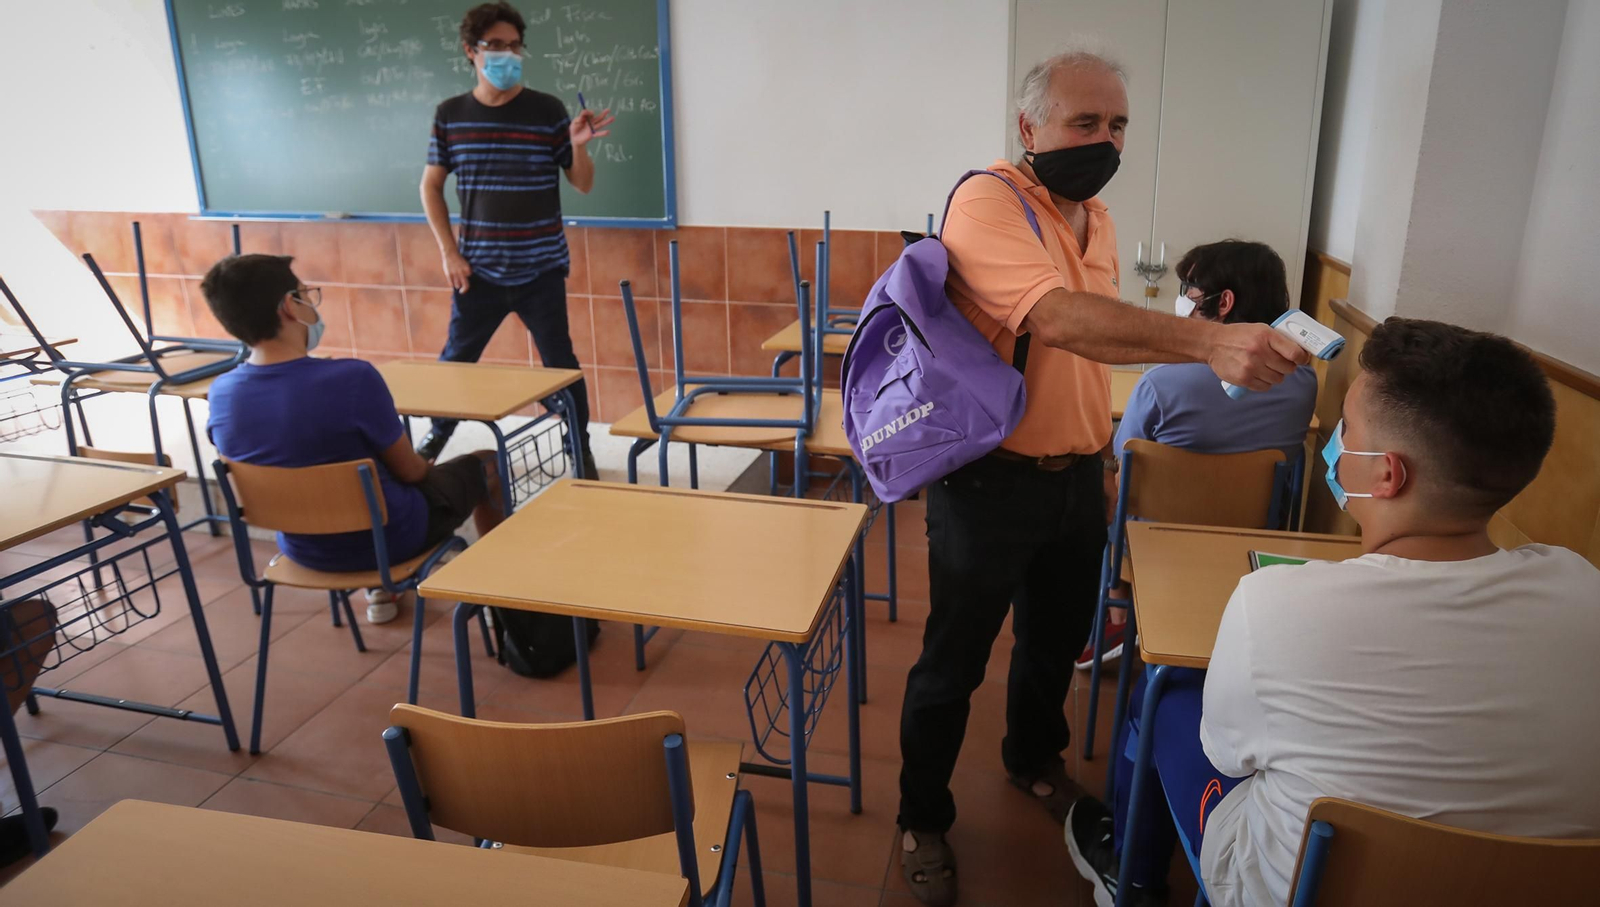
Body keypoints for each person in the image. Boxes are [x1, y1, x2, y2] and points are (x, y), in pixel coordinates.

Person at [896, 43, 1309, 906]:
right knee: (953, 660)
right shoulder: (986, 201)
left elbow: (1094, 346)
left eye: (1118, 124)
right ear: (1029, 125)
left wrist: (1099, 461)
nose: (1106, 139)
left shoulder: (1100, 218)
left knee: (1054, 641)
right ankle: (921, 816)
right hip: (988, 480)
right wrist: (1210, 339)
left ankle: (1032, 758)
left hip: (1078, 475)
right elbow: (1061, 320)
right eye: (1085, 121)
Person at [1066, 317, 1600, 907]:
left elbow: (1225, 753)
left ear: (1387, 474)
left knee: (1163, 694)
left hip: (1296, 889)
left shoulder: (1275, 603)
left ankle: (1132, 879)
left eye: (1346, 428)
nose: (1334, 443)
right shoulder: (1585, 591)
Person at [203, 254, 506, 624]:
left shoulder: (221, 394)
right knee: (487, 462)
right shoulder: (352, 378)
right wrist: (419, 466)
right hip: (392, 539)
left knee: (361, 475)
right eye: (303, 295)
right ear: (288, 307)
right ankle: (501, 598)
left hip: (302, 547)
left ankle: (382, 590)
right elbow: (412, 473)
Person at [1078, 239, 1318, 670]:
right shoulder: (1302, 383)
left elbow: (1122, 462)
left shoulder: (1161, 385)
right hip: (1251, 540)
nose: (1181, 299)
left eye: (1188, 288)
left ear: (1223, 303)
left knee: (1104, 485)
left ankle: (1115, 608)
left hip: (1154, 547)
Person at [415, 1, 615, 477]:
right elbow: (430, 186)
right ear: (471, 51)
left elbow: (582, 182)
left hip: (541, 267)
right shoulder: (451, 114)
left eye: (514, 45)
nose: (507, 55)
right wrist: (449, 253)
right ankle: (433, 439)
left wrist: (580, 148)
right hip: (477, 269)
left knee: (560, 365)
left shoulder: (547, 110)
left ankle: (578, 447)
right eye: (495, 46)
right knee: (455, 361)